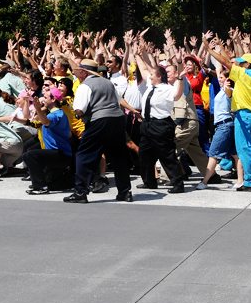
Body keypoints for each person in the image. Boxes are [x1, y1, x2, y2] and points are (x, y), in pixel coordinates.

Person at [204, 35, 251, 191]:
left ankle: (249, 182)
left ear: (247, 64)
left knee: (245, 149)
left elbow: (225, 62)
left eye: (242, 62)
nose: (239, 64)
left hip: (243, 117)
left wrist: (209, 50)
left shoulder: (242, 74)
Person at [64, 59, 133, 204]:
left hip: (99, 120)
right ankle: (125, 192)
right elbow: (118, 100)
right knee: (119, 156)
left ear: (84, 72)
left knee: (84, 155)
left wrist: (76, 114)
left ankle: (80, 192)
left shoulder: (85, 86)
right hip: (117, 119)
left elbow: (79, 109)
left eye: (79, 71)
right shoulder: (108, 83)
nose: (77, 74)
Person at [135, 62, 186, 193]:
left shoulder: (167, 88)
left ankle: (178, 183)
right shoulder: (150, 86)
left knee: (166, 155)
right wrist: (138, 55)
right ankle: (149, 182)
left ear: (159, 76)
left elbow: (177, 94)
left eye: (152, 74)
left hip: (161, 125)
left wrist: (180, 78)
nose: (150, 76)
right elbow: (143, 69)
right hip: (147, 124)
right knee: (144, 154)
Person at [24, 87, 74, 194]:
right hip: (55, 154)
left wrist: (38, 108)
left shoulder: (56, 114)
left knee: (30, 155)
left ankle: (40, 187)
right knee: (52, 184)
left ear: (53, 99)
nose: (43, 99)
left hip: (60, 154)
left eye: (45, 97)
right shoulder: (57, 113)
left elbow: (46, 122)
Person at [197, 69, 242, 189]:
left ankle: (204, 182)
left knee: (213, 154)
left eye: (222, 78)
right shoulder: (222, 90)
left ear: (228, 79)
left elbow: (229, 92)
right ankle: (240, 180)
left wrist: (227, 85)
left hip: (225, 125)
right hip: (226, 125)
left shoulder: (229, 90)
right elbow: (218, 71)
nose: (219, 79)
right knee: (235, 154)